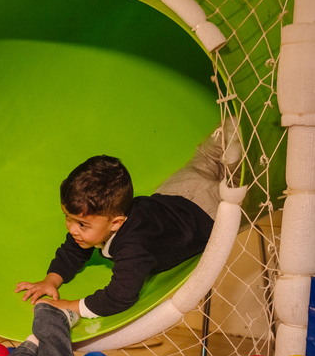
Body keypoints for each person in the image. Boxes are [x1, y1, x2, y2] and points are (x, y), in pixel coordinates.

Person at [15, 138, 222, 322]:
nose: (71, 228)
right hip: (177, 191)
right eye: (67, 217)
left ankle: (235, 136)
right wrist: (51, 279)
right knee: (209, 156)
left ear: (115, 223)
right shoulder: (96, 224)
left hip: (205, 212)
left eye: (81, 224)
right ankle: (227, 134)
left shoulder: (133, 246)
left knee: (231, 181)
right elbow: (72, 250)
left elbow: (121, 296)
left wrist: (71, 305)